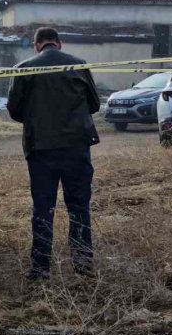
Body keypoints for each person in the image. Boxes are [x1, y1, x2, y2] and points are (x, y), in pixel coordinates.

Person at [6, 27, 101, 280]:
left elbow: (14, 110)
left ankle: (40, 269)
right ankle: (82, 264)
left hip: (41, 148)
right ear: (59, 43)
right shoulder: (79, 65)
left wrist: (38, 117)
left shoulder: (24, 68)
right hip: (76, 146)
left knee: (43, 208)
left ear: (37, 45)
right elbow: (94, 104)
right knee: (79, 206)